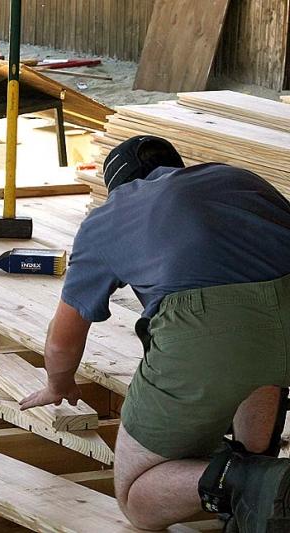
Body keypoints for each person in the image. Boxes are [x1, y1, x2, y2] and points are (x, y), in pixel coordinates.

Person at [19, 135, 290, 532]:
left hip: (211, 336)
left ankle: (246, 480)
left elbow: (63, 339)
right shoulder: (238, 179)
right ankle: (260, 475)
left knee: (136, 497)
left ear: (116, 187)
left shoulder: (112, 215)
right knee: (257, 351)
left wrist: (58, 384)